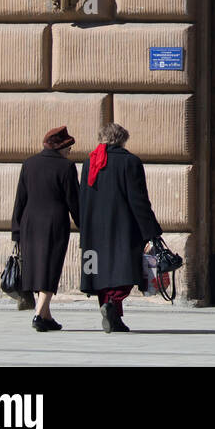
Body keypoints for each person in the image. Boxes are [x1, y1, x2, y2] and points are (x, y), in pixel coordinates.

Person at [79, 122, 163, 333]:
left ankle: (113, 315)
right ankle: (111, 306)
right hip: (123, 227)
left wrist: (84, 228)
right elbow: (139, 200)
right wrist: (151, 230)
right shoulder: (130, 161)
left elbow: (84, 197)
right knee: (125, 270)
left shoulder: (90, 162)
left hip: (94, 228)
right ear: (122, 139)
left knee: (101, 273)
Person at [10, 125, 81, 332]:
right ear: (60, 147)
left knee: (37, 268)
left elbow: (20, 200)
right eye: (68, 146)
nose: (70, 151)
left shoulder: (29, 164)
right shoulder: (66, 167)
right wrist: (84, 226)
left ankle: (47, 316)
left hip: (29, 224)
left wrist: (16, 231)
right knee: (50, 268)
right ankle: (39, 314)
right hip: (54, 224)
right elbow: (74, 201)